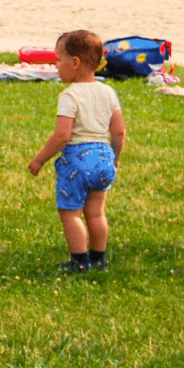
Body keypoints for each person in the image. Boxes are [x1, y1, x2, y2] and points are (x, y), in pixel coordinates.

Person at [26, 30, 124, 272]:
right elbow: (119, 131)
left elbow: (62, 135)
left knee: (71, 214)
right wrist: (115, 157)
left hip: (78, 162)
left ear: (75, 63)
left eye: (59, 60)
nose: (56, 66)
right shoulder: (108, 92)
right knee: (96, 212)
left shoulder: (69, 95)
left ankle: (79, 262)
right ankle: (99, 258)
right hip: (103, 158)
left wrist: (39, 161)